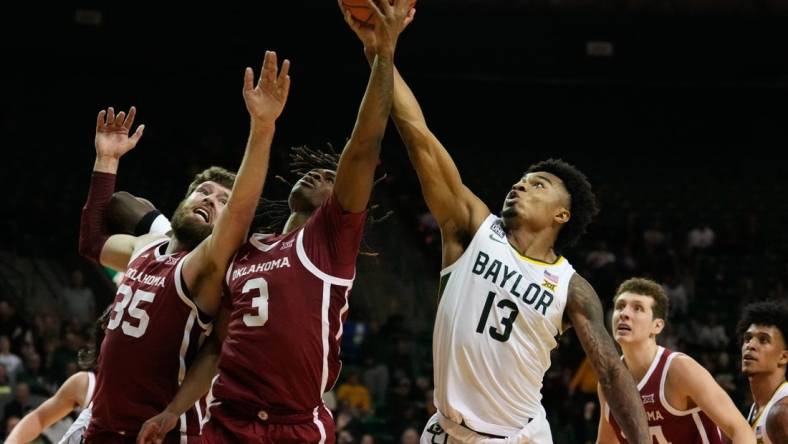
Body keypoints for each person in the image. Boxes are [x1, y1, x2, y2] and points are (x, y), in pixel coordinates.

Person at [339, 8, 650, 444]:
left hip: (517, 437)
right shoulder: (471, 230)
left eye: (537, 185)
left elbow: (611, 371)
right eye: (519, 181)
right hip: (446, 431)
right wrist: (381, 54)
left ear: (562, 215)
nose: (519, 187)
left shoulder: (570, 286)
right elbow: (417, 133)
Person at [137, 4, 412, 443]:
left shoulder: (330, 240)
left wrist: (383, 55)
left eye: (329, 176)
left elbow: (364, 144)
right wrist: (174, 410)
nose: (319, 175)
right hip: (228, 417)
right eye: (315, 171)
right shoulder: (246, 250)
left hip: (296, 424)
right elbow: (216, 347)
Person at [78, 49, 290, 443]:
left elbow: (241, 211)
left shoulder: (205, 266)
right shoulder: (145, 245)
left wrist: (263, 128)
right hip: (103, 426)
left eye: (222, 201)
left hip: (158, 432)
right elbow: (92, 242)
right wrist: (105, 161)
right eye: (203, 192)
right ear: (184, 199)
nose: (211, 200)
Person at [596, 277, 754, 443]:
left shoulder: (679, 369)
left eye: (637, 308)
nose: (624, 314)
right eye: (620, 306)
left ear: (657, 326)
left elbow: (741, 430)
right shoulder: (609, 382)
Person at [738, 300, 788, 443]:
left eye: (763, 340)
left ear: (783, 357)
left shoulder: (782, 412)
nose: (750, 345)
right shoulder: (756, 409)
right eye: (748, 338)